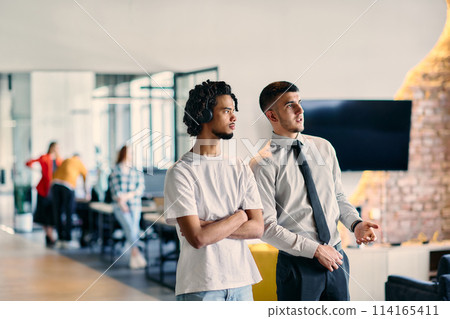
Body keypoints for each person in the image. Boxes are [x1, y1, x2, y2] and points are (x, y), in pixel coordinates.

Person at [250, 81, 379, 301]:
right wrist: (315, 250)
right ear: (272, 116)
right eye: (290, 105)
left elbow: (337, 197)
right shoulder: (262, 164)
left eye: (299, 103)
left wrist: (355, 224)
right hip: (298, 266)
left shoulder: (324, 148)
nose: (300, 110)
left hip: (337, 259)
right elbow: (266, 227)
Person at [164, 80, 264, 301]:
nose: (234, 117)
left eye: (233, 111)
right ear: (205, 114)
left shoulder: (239, 167)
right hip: (202, 287)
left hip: (242, 284)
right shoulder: (181, 172)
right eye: (226, 111)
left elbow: (257, 228)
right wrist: (239, 216)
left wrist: (212, 227)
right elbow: (198, 238)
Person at [109, 145, 146, 269]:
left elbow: (140, 188)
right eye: (129, 152)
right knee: (130, 228)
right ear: (124, 153)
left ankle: (133, 255)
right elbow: (114, 190)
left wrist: (128, 196)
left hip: (135, 204)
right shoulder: (116, 170)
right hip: (120, 205)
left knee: (134, 229)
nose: (131, 155)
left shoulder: (135, 170)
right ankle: (136, 254)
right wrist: (122, 203)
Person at [26, 141, 62, 247]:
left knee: (51, 213)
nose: (57, 150)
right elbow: (29, 163)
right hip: (44, 189)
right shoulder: (44, 157)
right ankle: (49, 235)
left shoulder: (59, 160)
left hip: (54, 189)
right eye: (56, 147)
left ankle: (49, 235)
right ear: (51, 147)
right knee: (43, 213)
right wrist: (38, 170)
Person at [51, 153, 89, 248]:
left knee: (57, 212)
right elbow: (86, 176)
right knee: (69, 212)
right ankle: (68, 239)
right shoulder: (78, 162)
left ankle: (60, 238)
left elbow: (55, 172)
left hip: (55, 184)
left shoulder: (66, 160)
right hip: (67, 186)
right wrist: (87, 193)